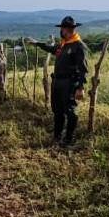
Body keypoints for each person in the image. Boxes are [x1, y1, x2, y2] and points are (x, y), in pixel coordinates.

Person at [26, 16, 89, 147]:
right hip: (57, 82)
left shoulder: (78, 46)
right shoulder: (63, 44)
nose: (61, 31)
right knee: (57, 111)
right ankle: (57, 136)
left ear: (67, 29)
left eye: (62, 28)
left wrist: (81, 87)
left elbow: (83, 68)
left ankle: (68, 139)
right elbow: (51, 48)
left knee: (70, 112)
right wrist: (37, 43)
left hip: (69, 83)